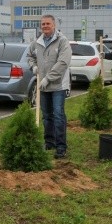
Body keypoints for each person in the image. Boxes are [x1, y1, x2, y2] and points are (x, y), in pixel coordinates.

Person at [27, 14, 72, 159]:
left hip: (58, 85)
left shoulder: (62, 41)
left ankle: (61, 147)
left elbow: (63, 63)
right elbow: (29, 55)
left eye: (48, 24)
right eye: (43, 24)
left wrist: (48, 78)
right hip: (43, 85)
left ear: (54, 25)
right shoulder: (37, 42)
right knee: (47, 116)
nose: (45, 26)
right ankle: (49, 142)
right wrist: (33, 67)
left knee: (58, 116)